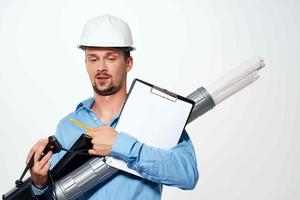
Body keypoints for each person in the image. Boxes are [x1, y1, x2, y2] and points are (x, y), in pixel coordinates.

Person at [26, 14, 199, 199]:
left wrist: (120, 145)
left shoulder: (156, 117)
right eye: (93, 59)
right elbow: (55, 194)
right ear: (86, 63)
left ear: (128, 63)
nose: (101, 67)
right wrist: (39, 183)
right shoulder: (68, 125)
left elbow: (187, 175)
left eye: (110, 58)